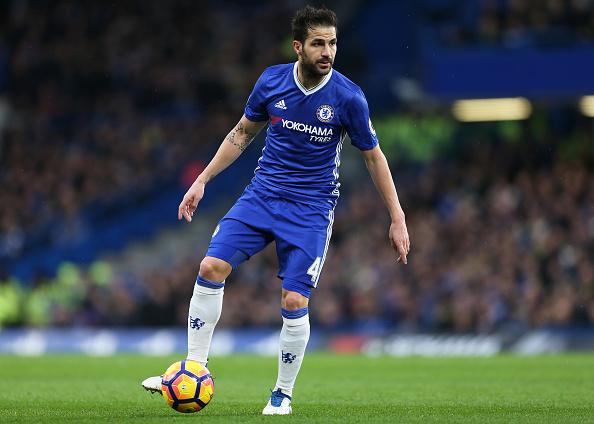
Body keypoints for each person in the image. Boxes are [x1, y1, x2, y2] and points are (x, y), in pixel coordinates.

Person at [142, 5, 410, 415]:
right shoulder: (271, 81)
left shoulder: (348, 97)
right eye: (319, 43)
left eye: (333, 43)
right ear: (298, 46)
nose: (328, 51)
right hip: (262, 196)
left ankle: (282, 393)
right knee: (211, 267)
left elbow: (374, 158)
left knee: (292, 302)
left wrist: (397, 217)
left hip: (311, 209)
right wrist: (202, 181)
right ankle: (194, 368)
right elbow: (241, 134)